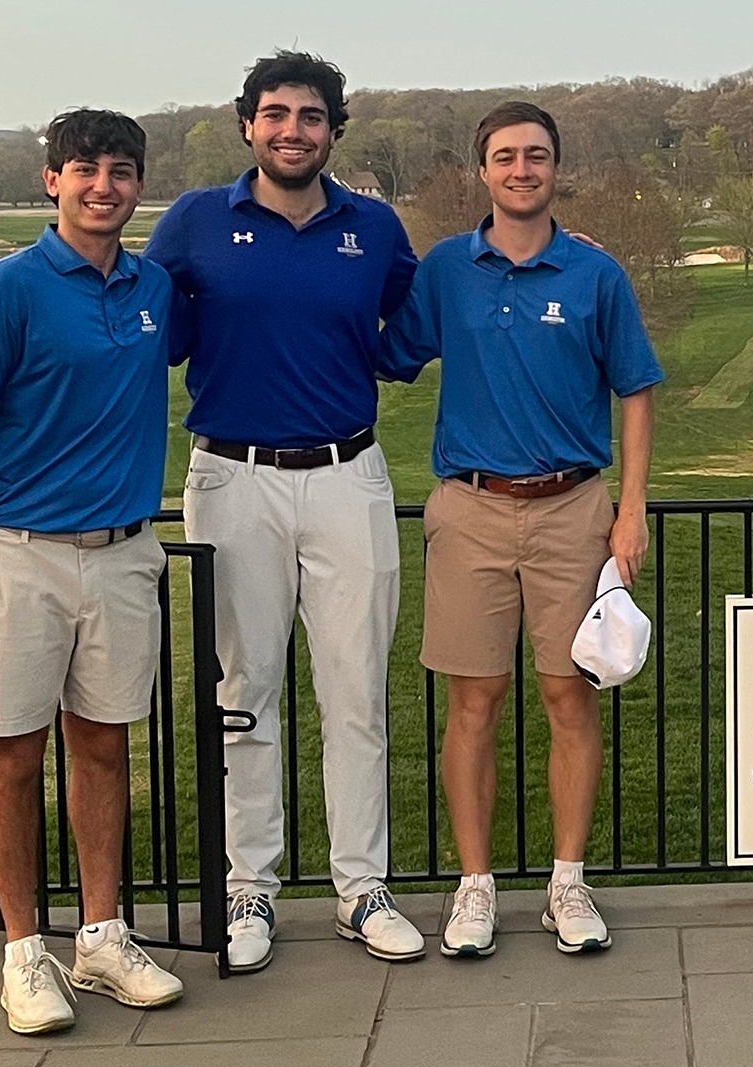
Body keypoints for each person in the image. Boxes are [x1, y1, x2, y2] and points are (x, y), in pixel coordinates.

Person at [144, 52, 423, 969]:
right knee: (245, 692)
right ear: (248, 126)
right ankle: (249, 889)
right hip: (234, 479)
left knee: (356, 692)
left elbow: (414, 319)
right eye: (275, 114)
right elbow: (144, 324)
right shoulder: (194, 222)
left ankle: (361, 887)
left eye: (309, 116)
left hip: (349, 474)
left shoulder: (373, 227)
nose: (291, 130)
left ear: (333, 130)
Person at [378, 102, 661, 958]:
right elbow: (389, 352)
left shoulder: (595, 273)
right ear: (483, 171)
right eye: (505, 156)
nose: (521, 169)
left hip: (573, 508)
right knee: (474, 701)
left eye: (536, 155)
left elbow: (636, 390)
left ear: (555, 168)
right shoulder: (446, 269)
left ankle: (567, 883)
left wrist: (631, 510)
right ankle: (475, 887)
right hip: (469, 507)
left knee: (569, 697)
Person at [0, 109, 184, 1034]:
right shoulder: (4, 290)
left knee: (105, 746)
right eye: (85, 169)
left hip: (122, 550)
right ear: (53, 180)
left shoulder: (155, 285)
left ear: (139, 185)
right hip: (20, 553)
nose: (103, 186)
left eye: (121, 170)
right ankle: (22, 953)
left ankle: (102, 937)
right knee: (14, 751)